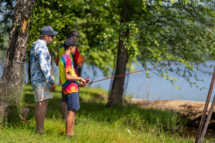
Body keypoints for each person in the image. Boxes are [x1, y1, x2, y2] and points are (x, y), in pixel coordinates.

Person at [30, 26, 58, 134]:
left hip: (35, 79)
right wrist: (50, 80)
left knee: (38, 104)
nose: (53, 38)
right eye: (52, 36)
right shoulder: (41, 46)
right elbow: (44, 65)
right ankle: (40, 131)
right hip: (41, 79)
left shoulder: (35, 45)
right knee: (43, 104)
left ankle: (38, 129)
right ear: (46, 36)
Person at [58, 38, 86, 138]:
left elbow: (70, 75)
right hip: (71, 89)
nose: (75, 48)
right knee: (71, 112)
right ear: (71, 47)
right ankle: (68, 135)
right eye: (75, 46)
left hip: (67, 87)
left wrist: (79, 82)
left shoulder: (62, 58)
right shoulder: (68, 59)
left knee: (72, 111)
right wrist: (80, 78)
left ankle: (72, 134)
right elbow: (68, 76)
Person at [56, 30, 84, 120]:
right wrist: (82, 59)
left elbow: (57, 62)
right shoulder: (73, 49)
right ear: (73, 37)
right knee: (72, 110)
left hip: (63, 79)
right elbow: (79, 64)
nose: (76, 39)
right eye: (76, 37)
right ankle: (70, 122)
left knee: (63, 99)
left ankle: (65, 117)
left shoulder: (61, 49)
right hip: (72, 80)